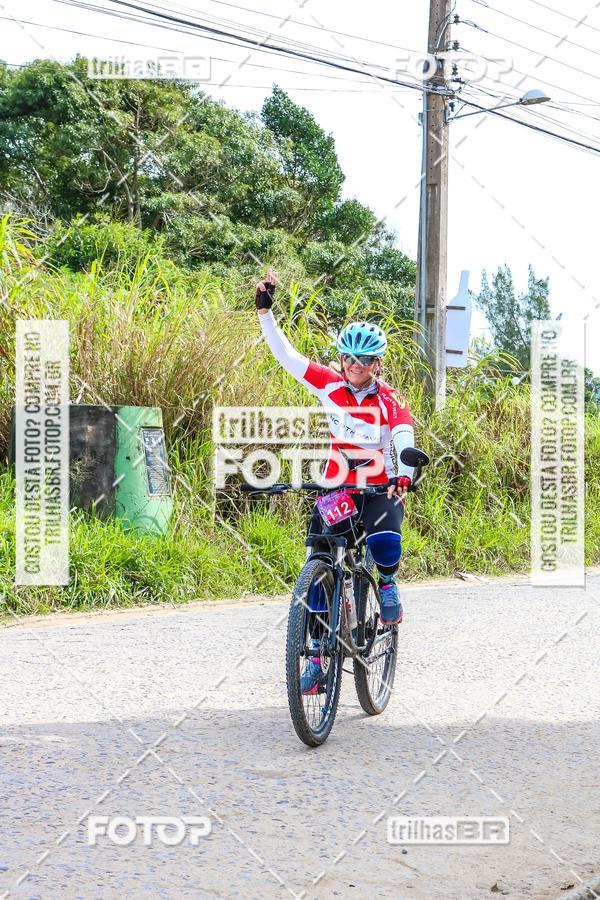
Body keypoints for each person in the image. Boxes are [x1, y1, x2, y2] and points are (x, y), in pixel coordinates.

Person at [255, 268, 415, 694]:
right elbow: (286, 355)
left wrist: (404, 475)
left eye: (364, 361)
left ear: (377, 363)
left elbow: (403, 437)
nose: (355, 366)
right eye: (348, 358)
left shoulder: (390, 399)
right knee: (320, 564)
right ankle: (317, 654)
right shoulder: (328, 383)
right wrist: (265, 312)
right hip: (337, 486)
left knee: (384, 545)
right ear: (341, 360)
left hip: (379, 486)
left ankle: (384, 583)